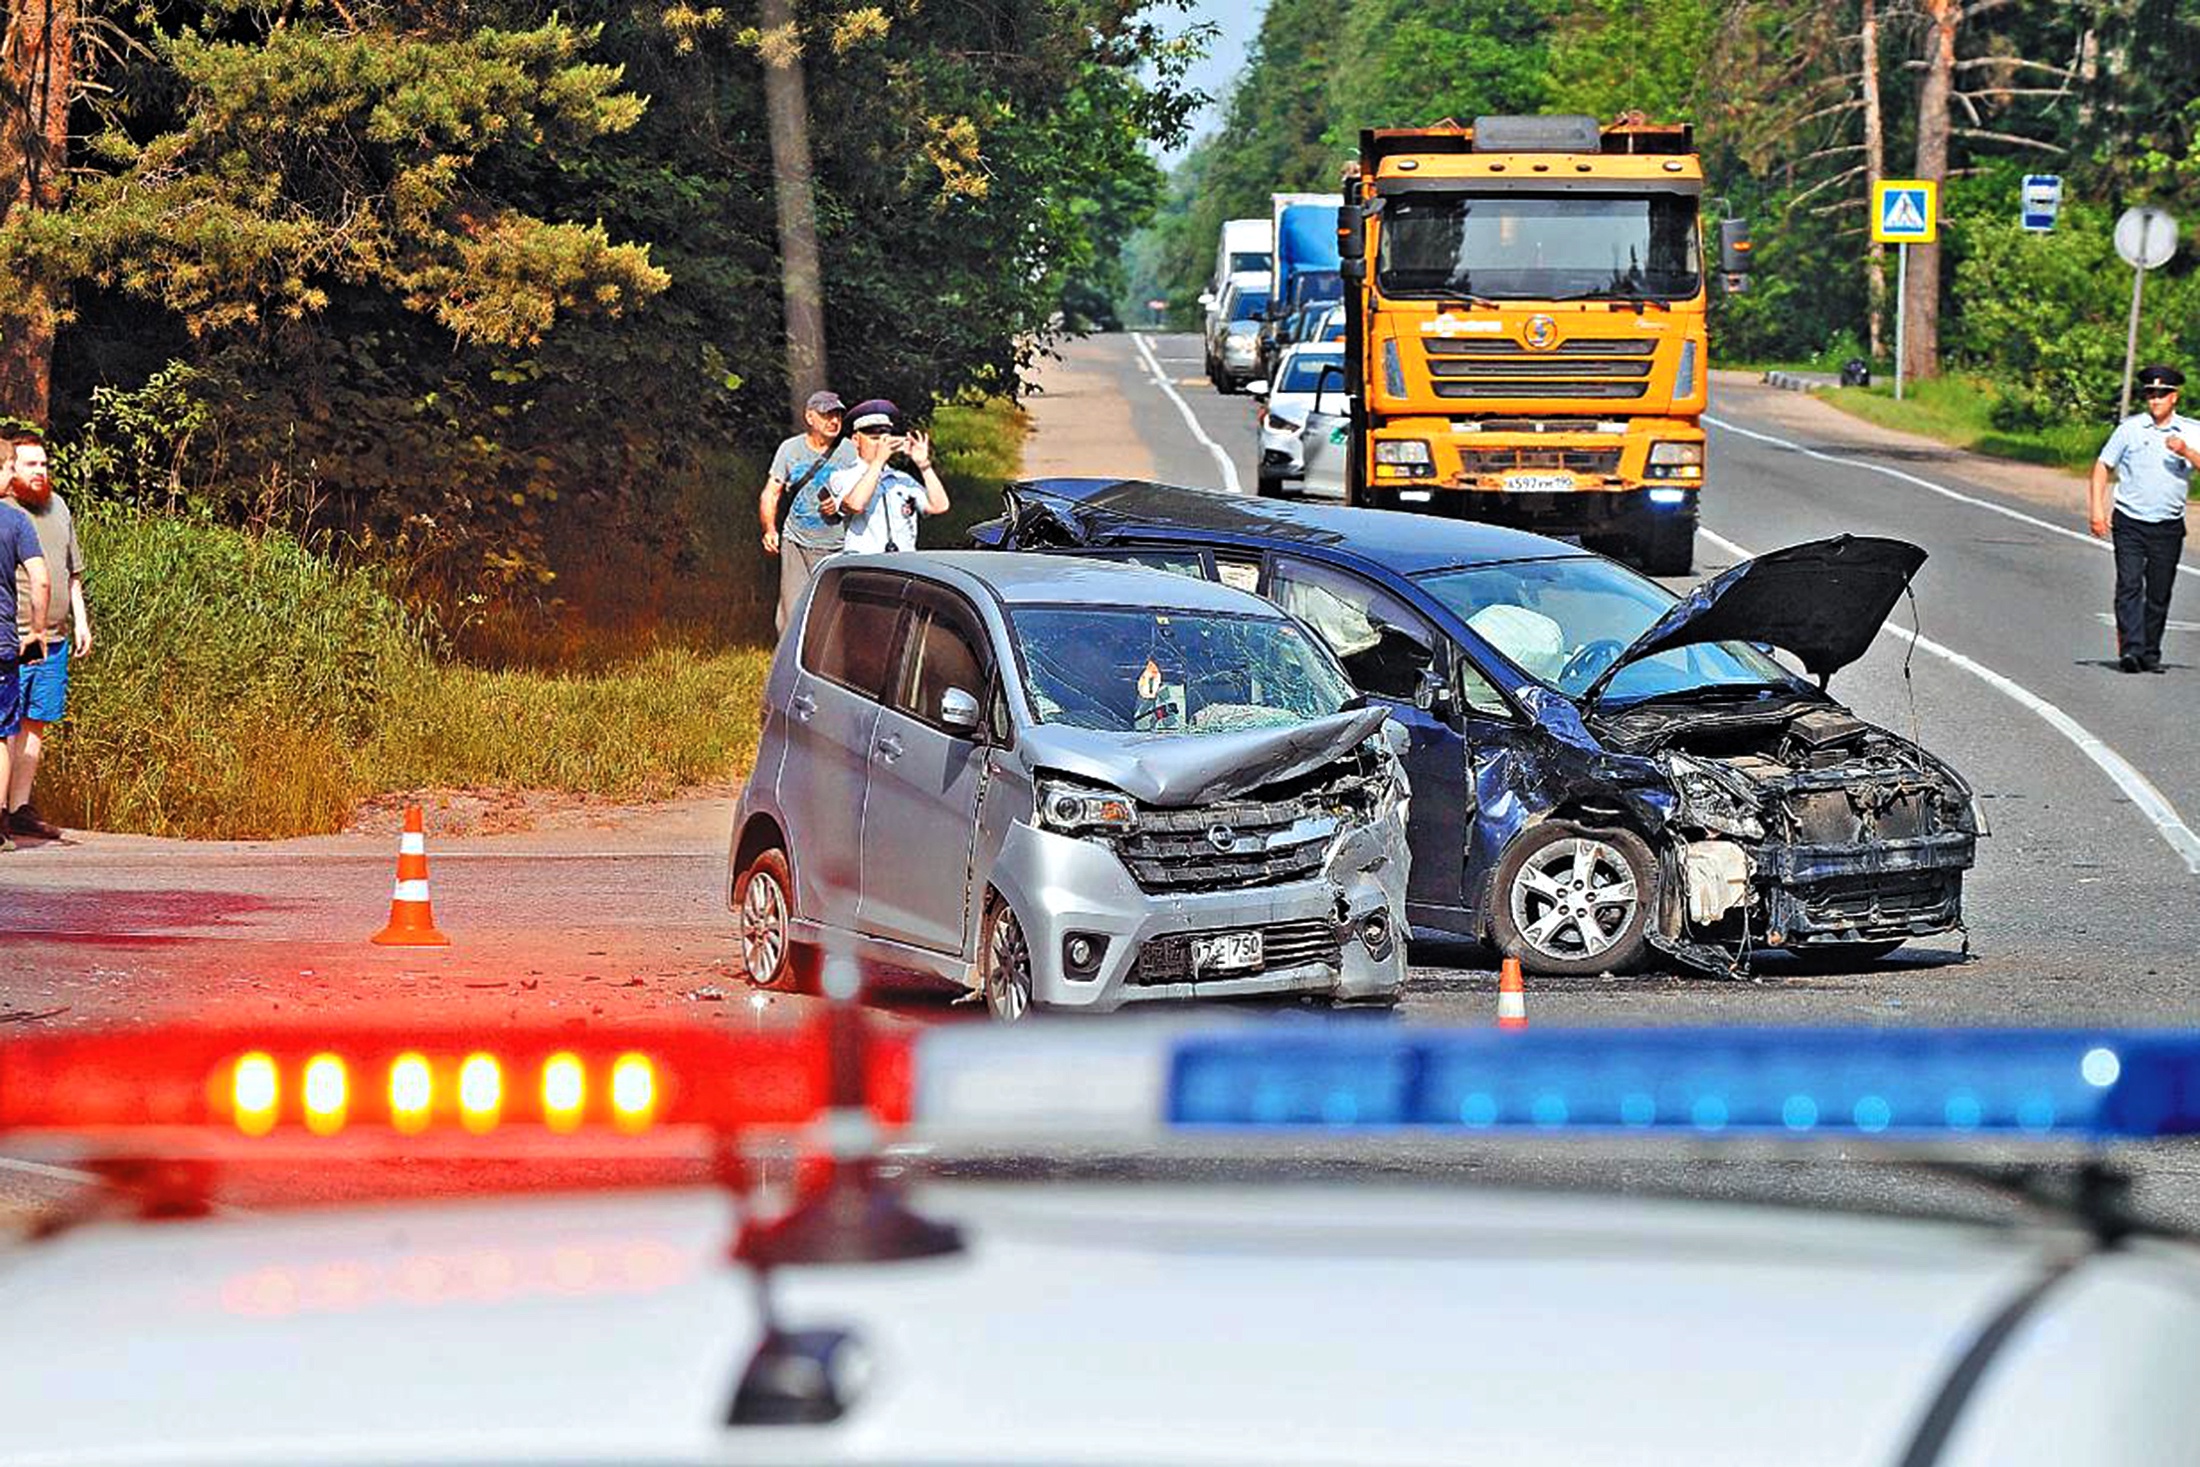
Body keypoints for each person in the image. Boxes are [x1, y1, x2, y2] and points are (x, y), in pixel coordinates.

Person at [2090, 364, 2200, 673]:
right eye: (2151, 394)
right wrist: (2097, 509)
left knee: (2159, 592)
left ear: (2174, 397)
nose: (2155, 400)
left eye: (2162, 395)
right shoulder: (2130, 429)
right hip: (2130, 521)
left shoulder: (2192, 431)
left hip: (2168, 525)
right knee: (2128, 584)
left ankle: (2150, 651)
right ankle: (2131, 650)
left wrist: (2188, 452)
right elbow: (2102, 465)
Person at [6, 432, 88, 839]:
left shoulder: (58, 508)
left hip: (54, 637)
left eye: (44, 464)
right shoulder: (6, 512)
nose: (40, 471)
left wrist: (82, 621)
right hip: (16, 637)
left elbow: (72, 573)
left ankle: (20, 807)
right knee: (7, 724)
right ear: (12, 469)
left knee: (36, 721)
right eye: (30, 464)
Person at [760, 390, 857, 633]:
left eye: (838, 415)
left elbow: (865, 494)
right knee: (791, 614)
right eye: (827, 415)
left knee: (835, 614)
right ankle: (789, 667)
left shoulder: (850, 451)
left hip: (840, 545)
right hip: (796, 542)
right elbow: (772, 492)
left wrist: (840, 503)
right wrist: (769, 529)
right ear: (810, 417)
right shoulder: (789, 449)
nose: (834, 421)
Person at [0, 443, 48, 856]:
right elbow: (41, 579)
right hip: (1, 643)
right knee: (0, 734)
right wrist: (35, 630)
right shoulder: (15, 522)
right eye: (10, 468)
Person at [827, 400, 948, 555]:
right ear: (856, 440)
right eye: (874, 439)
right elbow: (855, 505)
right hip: (864, 565)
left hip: (903, 564)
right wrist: (878, 461)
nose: (880, 445)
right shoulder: (843, 475)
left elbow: (939, 506)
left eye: (885, 440)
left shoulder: (901, 479)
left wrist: (924, 465)